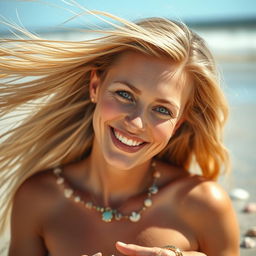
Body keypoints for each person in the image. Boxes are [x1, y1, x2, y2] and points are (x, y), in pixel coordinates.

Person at [0, 9, 239, 256]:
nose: (136, 123)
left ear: (178, 123)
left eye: (162, 110)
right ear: (95, 86)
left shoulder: (205, 205)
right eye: (125, 94)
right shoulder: (38, 198)